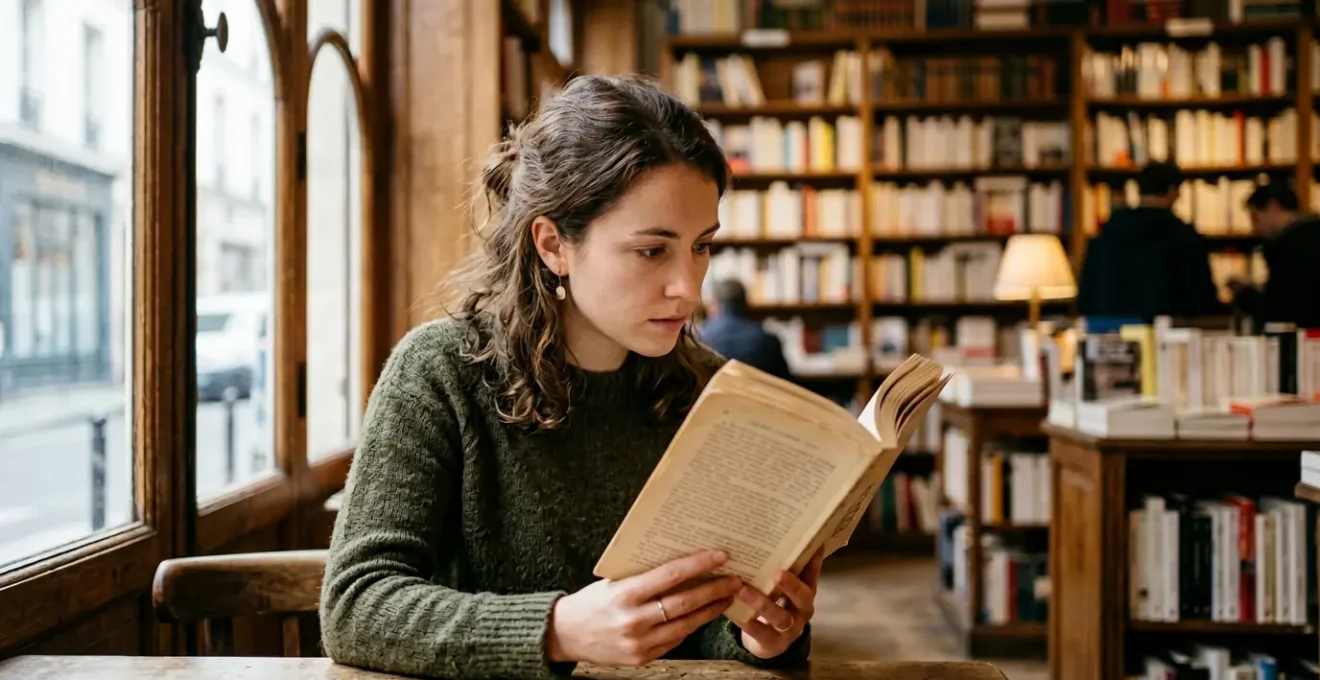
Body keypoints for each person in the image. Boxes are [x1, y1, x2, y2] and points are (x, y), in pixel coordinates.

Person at [318, 75, 820, 680]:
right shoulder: (439, 372)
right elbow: (355, 606)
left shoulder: (716, 394)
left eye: (702, 246)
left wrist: (756, 636)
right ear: (554, 244)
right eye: (652, 251)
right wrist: (558, 630)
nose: (689, 287)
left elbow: (704, 623)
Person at [1076, 161, 1222, 321]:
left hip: (1110, 334)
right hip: (1167, 335)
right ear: (1173, 191)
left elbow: (1087, 294)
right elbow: (1201, 299)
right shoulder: (1184, 238)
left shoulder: (1108, 233)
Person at [1230, 182, 1320, 329]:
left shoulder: (1288, 248)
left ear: (1274, 206)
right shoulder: (1312, 234)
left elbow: (1281, 309)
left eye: (1255, 217)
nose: (1255, 227)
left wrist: (1246, 294)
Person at [698, 279, 793, 381]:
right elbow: (785, 383)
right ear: (745, 303)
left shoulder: (699, 339)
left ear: (715, 303)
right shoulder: (767, 340)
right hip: (756, 396)